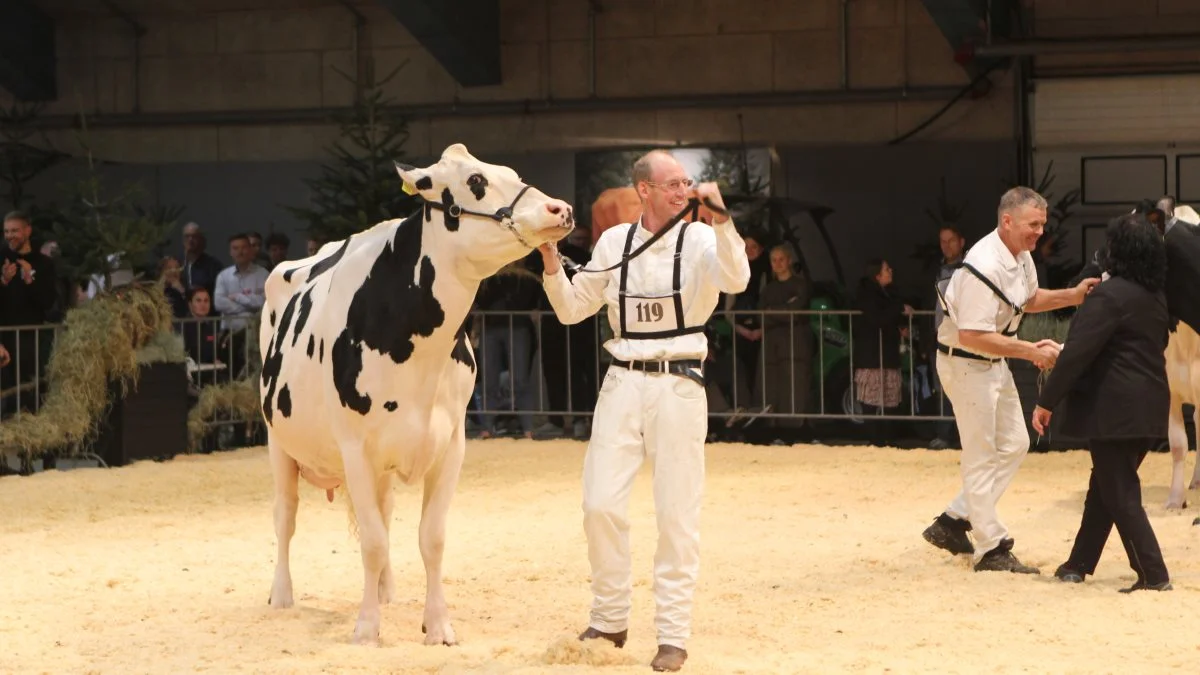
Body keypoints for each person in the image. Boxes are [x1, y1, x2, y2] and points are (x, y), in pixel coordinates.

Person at [538, 149, 750, 672]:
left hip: (679, 383)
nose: (683, 191)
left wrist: (722, 219)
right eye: (672, 184)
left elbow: (737, 278)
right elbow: (571, 308)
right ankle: (609, 618)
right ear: (644, 191)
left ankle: (673, 634)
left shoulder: (701, 237)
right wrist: (548, 257)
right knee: (599, 503)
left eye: (686, 183)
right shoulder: (613, 243)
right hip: (623, 381)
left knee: (677, 512)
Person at [921, 186, 1100, 574]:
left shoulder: (1019, 256)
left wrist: (1073, 295)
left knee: (1016, 443)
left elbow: (1029, 299)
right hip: (967, 363)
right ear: (1007, 221)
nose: (1040, 232)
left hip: (990, 363)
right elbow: (971, 334)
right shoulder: (982, 265)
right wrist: (1032, 351)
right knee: (981, 455)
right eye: (1033, 225)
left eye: (1042, 224)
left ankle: (953, 521)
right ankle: (991, 548)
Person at [1031, 213, 1173, 593]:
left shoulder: (1108, 296)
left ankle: (1153, 574)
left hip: (1115, 410)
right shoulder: (1155, 297)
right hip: (1150, 406)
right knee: (1106, 487)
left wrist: (1046, 401)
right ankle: (1077, 564)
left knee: (1120, 493)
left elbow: (1078, 353)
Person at [851, 258, 914, 445]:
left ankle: (888, 439)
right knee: (871, 400)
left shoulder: (890, 293)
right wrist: (899, 309)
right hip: (871, 356)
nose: (891, 271)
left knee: (890, 398)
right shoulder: (866, 295)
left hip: (887, 355)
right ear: (877, 275)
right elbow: (878, 318)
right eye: (887, 269)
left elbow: (888, 318)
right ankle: (875, 440)